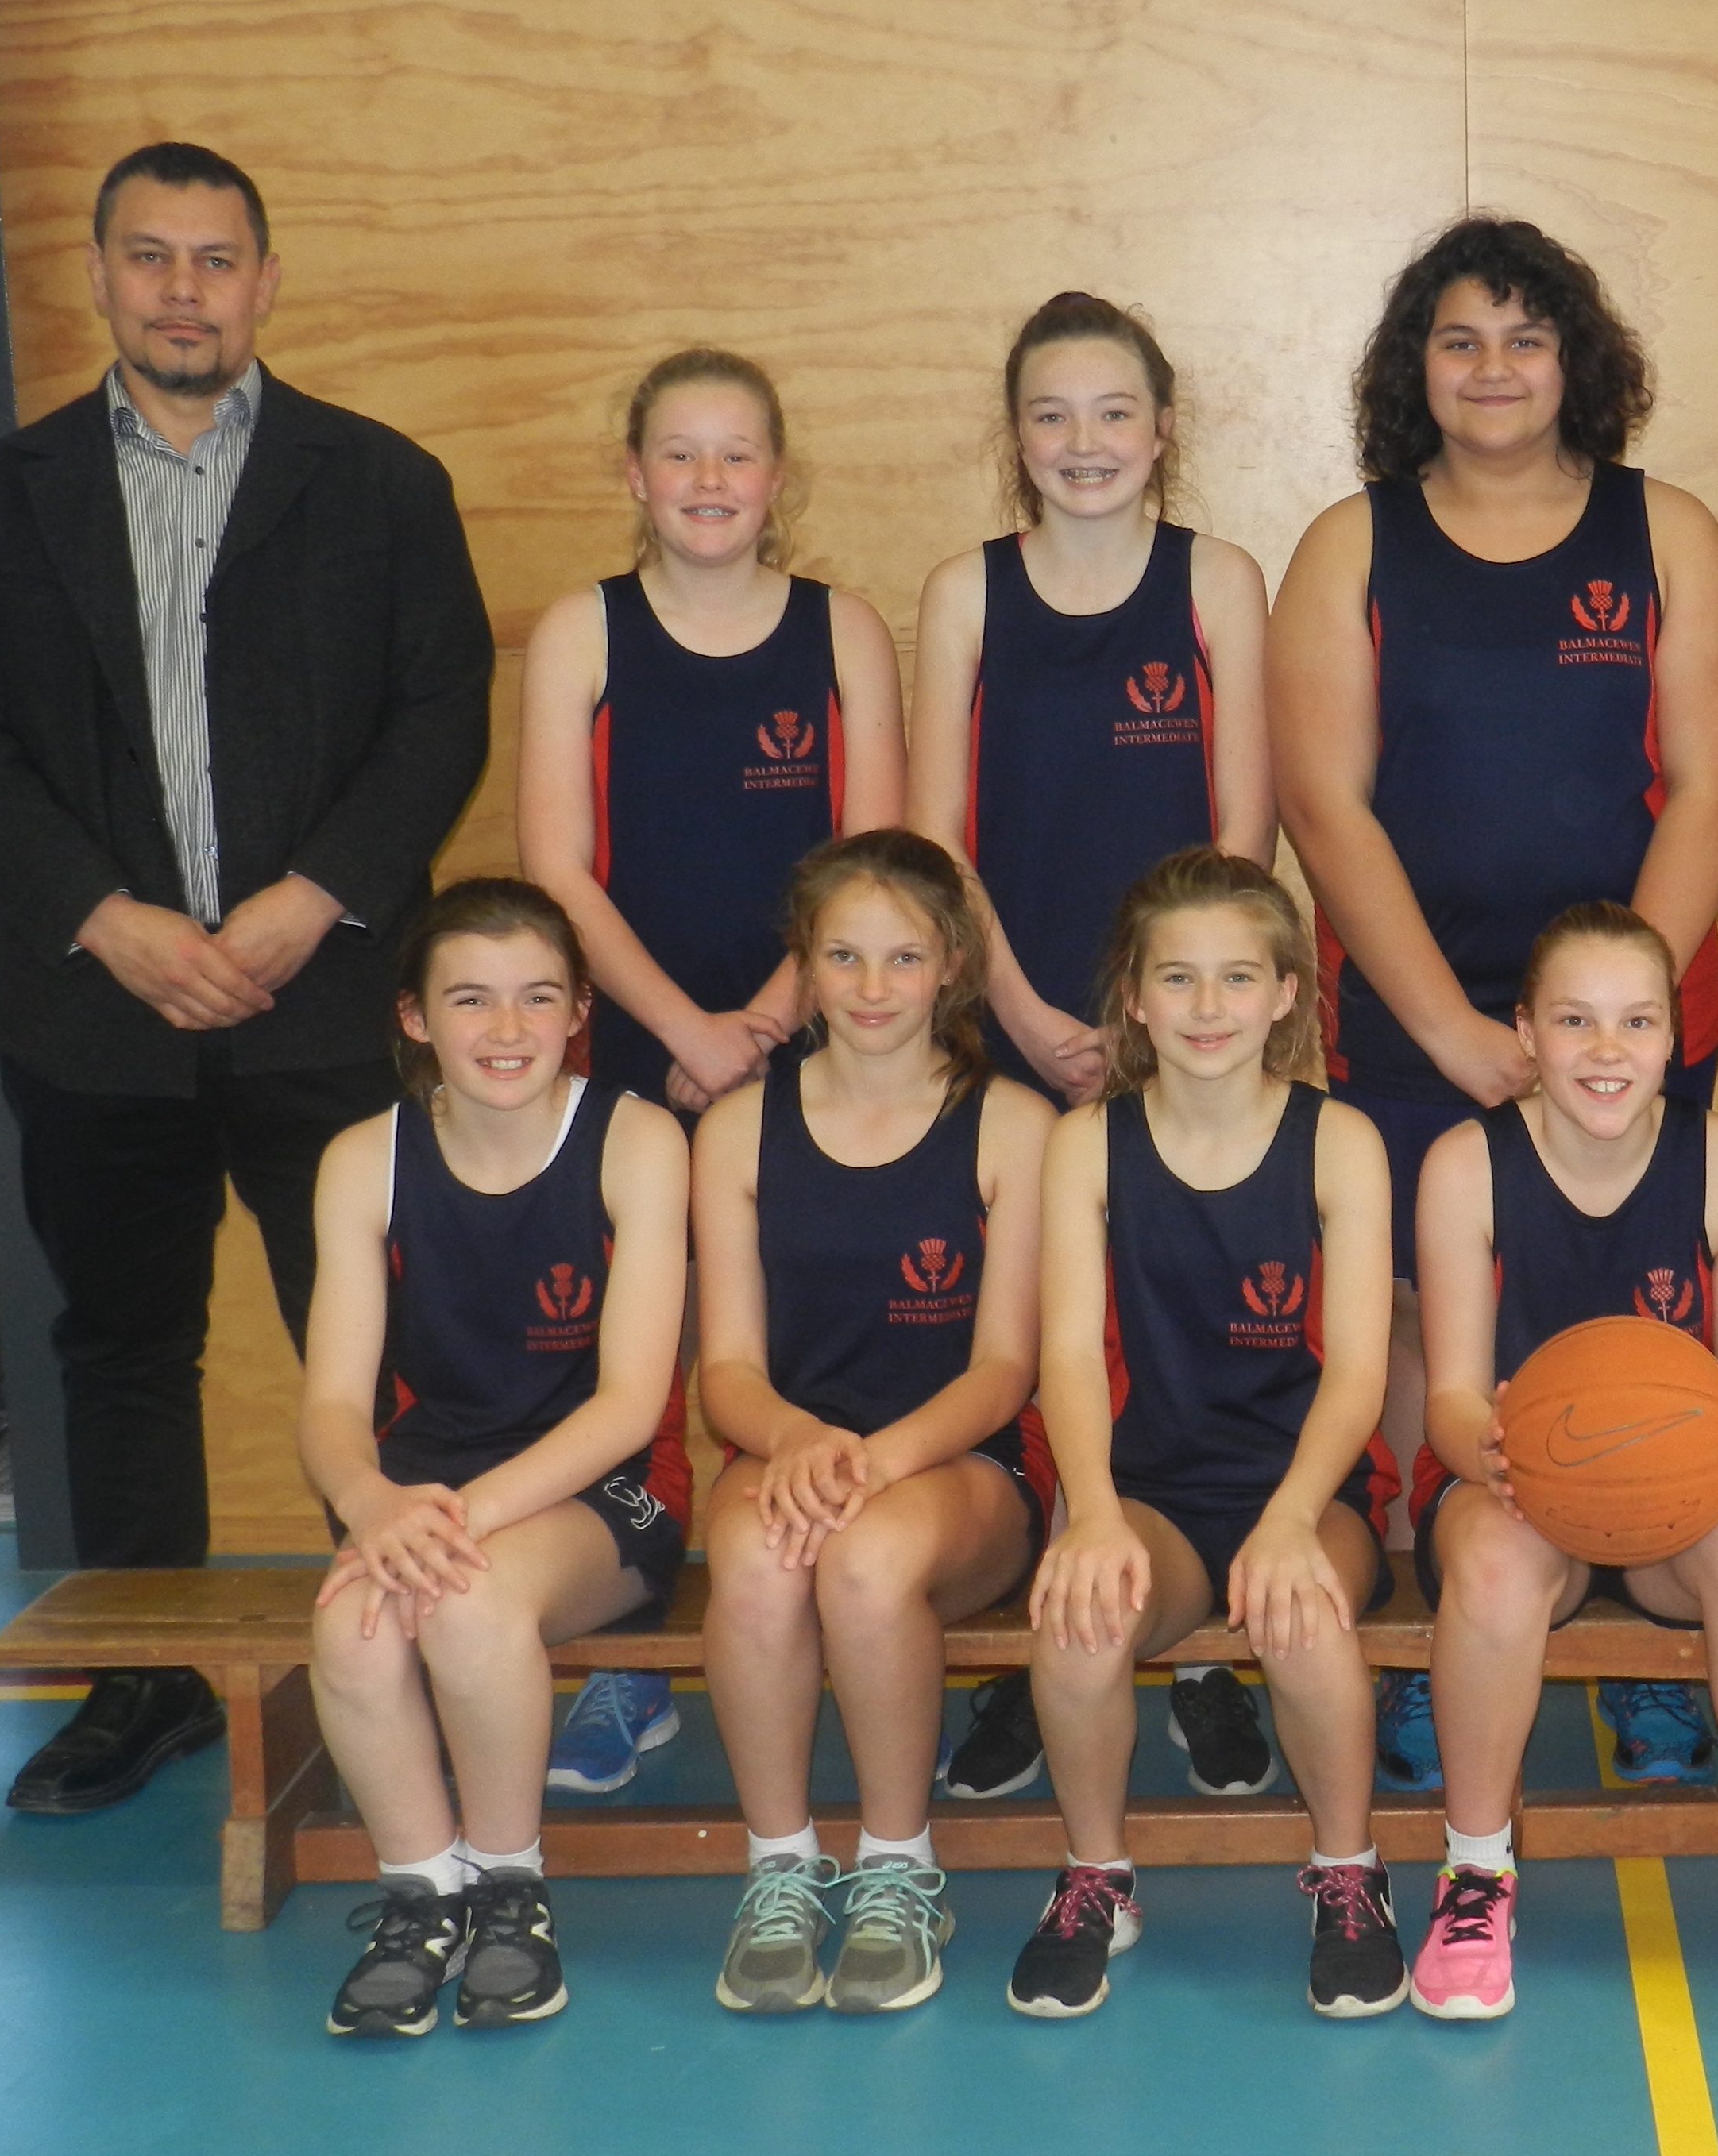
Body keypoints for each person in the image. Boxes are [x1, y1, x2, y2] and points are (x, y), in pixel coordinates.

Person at [0, 141, 493, 1814]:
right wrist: (106, 918)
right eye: (150, 257)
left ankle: (406, 1651)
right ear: (101, 276)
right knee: (120, 1352)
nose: (183, 290)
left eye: (215, 259)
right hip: (99, 1015)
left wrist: (315, 898)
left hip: (329, 997)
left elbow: (440, 712)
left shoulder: (380, 483)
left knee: (378, 1346)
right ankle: (143, 1684)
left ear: (264, 283)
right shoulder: (1, 501)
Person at [1272, 215, 1718, 1795]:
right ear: (1413, 367)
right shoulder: (1350, 548)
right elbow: (1323, 806)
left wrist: (1609, 1025)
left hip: (1630, 1023)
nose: (1493, 369)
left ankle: (1647, 1635)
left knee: (1638, 1314)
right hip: (1425, 1021)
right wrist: (1454, 1032)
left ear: (1576, 361)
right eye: (1460, 340)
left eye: (1526, 339)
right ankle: (1438, 1631)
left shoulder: (1664, 532)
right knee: (1431, 1322)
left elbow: (1711, 787)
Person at [516, 345, 908, 1792]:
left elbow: (875, 866)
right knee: (637, 1350)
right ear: (635, 475)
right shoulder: (583, 633)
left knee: (781, 1335)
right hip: (631, 1036)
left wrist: (765, 1021)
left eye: (736, 453)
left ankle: (868, 1606)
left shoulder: (842, 630)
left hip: (819, 1036)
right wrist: (686, 1031)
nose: (708, 480)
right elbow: (557, 866)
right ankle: (630, 1658)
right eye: (678, 453)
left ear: (778, 476)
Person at [909, 292, 1277, 1807]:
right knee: (1034, 1338)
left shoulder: (1218, 583)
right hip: (1013, 1026)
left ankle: (1192, 1653)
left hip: (1186, 1030)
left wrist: (1162, 1020)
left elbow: (1244, 834)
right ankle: (1037, 1637)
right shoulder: (964, 593)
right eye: (1051, 415)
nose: (1084, 442)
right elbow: (937, 840)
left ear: (1163, 430)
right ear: (1015, 437)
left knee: (1172, 1336)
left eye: (1114, 411)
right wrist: (1017, 1010)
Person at [1406, 904, 1718, 2028]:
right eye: (1575, 1021)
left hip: (1669, 1502)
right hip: (1511, 1486)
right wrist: (1491, 1447)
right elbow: (1451, 1398)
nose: (1608, 1050)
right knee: (1493, 1569)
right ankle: (1475, 1876)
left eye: (1638, 1021)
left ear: (1675, 1035)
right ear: (1526, 1032)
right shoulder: (1465, 1165)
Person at [1005, 850, 1404, 2023]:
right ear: (1133, 997)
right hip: (1155, 1497)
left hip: (1309, 1490)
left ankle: (1349, 1872)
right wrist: (1090, 1514)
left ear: (1287, 993)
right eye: (1177, 978)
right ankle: (1097, 1876)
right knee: (1078, 1627)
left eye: (1238, 977)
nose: (1208, 1005)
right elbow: (1069, 1354)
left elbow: (1360, 1375)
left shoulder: (1340, 1140)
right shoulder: (1088, 1142)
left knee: (1302, 1616)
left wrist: (1291, 1521)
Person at [299, 881, 690, 2035]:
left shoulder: (637, 1140)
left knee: (465, 1605)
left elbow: (629, 1407)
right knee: (352, 1628)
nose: (507, 1029)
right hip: (423, 1485)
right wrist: (371, 1502)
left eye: (538, 998)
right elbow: (331, 1403)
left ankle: (512, 1892)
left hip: (603, 1488)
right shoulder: (363, 1159)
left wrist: (449, 1523)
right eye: (470, 999)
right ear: (415, 1017)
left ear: (579, 1012)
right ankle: (423, 1898)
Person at [694, 832, 1054, 2014]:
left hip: (960, 1461)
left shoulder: (1012, 1124)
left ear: (952, 964)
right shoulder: (736, 1129)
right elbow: (728, 1371)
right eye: (842, 955)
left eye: (903, 957)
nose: (871, 986)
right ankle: (781, 1868)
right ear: (802, 963)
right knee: (757, 1563)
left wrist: (879, 1460)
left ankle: (898, 1867)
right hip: (787, 1449)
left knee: (866, 1559)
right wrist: (801, 1443)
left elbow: (1005, 1369)